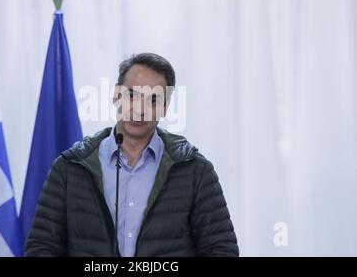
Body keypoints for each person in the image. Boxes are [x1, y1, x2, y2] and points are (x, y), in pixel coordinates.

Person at [25, 53, 239, 256]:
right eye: (132, 95)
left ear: (165, 107)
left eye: (153, 100)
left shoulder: (194, 170)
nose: (140, 109)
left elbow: (221, 249)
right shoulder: (70, 167)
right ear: (116, 96)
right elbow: (41, 247)